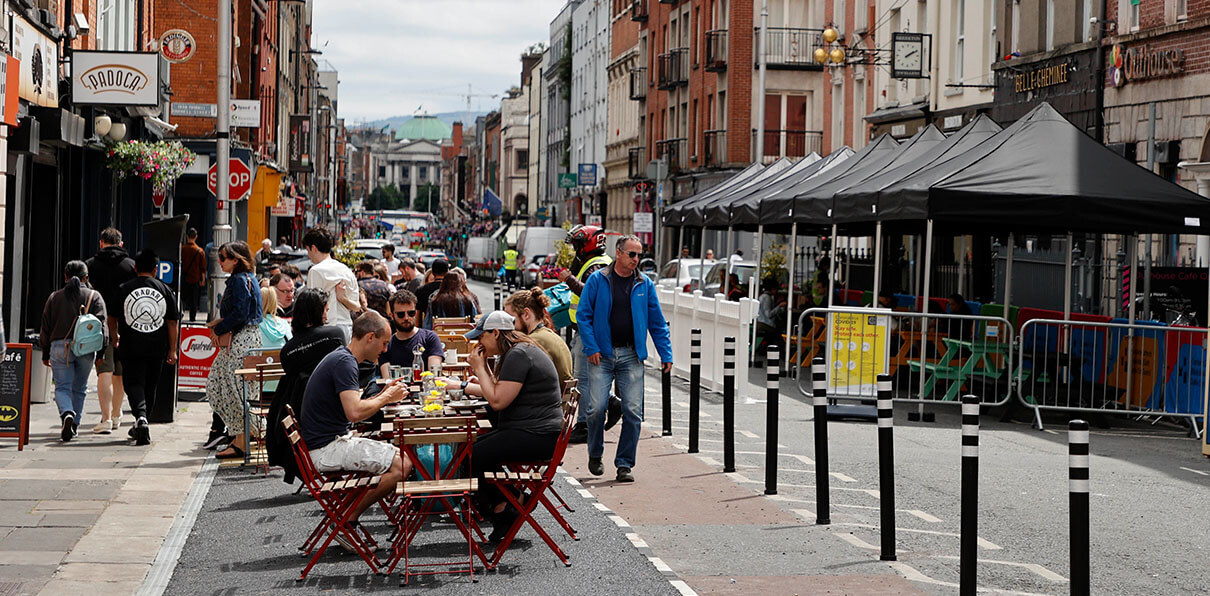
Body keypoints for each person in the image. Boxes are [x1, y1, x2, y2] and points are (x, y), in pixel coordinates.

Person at [301, 312, 411, 528]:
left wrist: (383, 394)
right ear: (370, 337)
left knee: (403, 456)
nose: (385, 350)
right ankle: (347, 518)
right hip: (327, 448)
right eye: (384, 343)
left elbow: (353, 408)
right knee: (403, 465)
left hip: (326, 442)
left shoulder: (342, 357)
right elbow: (355, 413)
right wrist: (386, 397)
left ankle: (346, 513)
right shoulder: (345, 363)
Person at [577, 236, 673, 483]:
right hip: (601, 355)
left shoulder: (644, 284)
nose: (636, 259)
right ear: (618, 253)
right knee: (596, 409)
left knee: (633, 411)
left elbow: (657, 322)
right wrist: (591, 347)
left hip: (631, 355)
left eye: (639, 255)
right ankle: (595, 453)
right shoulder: (598, 280)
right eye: (632, 254)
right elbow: (583, 316)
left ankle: (624, 464)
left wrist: (666, 354)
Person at [462, 311, 563, 541]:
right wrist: (484, 370)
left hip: (537, 435)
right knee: (471, 450)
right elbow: (498, 390)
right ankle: (510, 502)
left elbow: (498, 401)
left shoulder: (518, 355)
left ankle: (506, 505)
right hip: (533, 430)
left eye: (481, 336)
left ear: (496, 333)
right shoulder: (518, 351)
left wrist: (480, 368)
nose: (478, 343)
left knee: (471, 456)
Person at [267, 288, 346, 484]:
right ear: (317, 311)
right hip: (335, 410)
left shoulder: (288, 351)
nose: (327, 313)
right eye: (325, 309)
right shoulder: (334, 335)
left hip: (302, 414)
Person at [556, 225, 620, 443]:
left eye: (578, 245)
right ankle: (611, 402)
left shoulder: (597, 265)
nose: (576, 249)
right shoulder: (594, 262)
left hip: (590, 329)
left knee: (582, 379)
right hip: (588, 328)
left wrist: (569, 279)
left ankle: (584, 425)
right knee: (588, 377)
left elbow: (592, 292)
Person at [115, 250, 180, 446]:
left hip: (130, 345)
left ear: (135, 267)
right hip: (156, 347)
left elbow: (112, 317)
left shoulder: (124, 288)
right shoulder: (165, 290)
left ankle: (141, 418)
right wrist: (172, 349)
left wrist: (115, 336)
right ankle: (143, 420)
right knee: (151, 386)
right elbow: (172, 322)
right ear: (156, 269)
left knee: (133, 383)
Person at [207, 241, 264, 459]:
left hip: (241, 341)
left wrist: (219, 328)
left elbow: (240, 313)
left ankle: (243, 438)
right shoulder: (246, 278)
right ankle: (243, 435)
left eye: (223, 258)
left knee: (231, 388)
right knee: (227, 386)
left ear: (236, 260)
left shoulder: (240, 280)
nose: (219, 261)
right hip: (245, 339)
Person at [40, 261, 108, 442]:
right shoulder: (94, 296)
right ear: (86, 277)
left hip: (59, 347)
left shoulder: (54, 298)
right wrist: (101, 353)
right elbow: (103, 327)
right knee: (80, 388)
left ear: (65, 276)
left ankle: (67, 413)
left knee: (62, 387)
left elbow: (45, 327)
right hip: (86, 348)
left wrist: (45, 352)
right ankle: (75, 425)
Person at [86, 227, 135, 434]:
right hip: (125, 323)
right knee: (120, 372)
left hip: (100, 324)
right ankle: (116, 415)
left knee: (104, 370)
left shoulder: (89, 265)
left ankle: (105, 419)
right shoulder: (131, 266)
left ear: (101, 243)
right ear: (121, 244)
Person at [304, 226, 361, 342]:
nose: (308, 255)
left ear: (313, 248)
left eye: (308, 250)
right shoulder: (346, 271)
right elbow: (357, 307)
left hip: (325, 328)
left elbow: (311, 305)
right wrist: (343, 299)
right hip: (346, 327)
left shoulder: (315, 271)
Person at [504, 288, 573, 383]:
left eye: (511, 319)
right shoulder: (548, 334)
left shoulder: (532, 342)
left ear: (526, 314)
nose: (509, 325)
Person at [377, 290, 444, 377]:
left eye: (411, 313)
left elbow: (434, 374)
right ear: (392, 316)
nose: (406, 318)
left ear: (416, 313)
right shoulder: (386, 345)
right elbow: (387, 378)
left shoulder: (430, 338)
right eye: (401, 314)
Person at [756, 277, 786, 362]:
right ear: (772, 289)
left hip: (761, 321)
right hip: (765, 323)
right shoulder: (767, 298)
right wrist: (779, 306)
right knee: (780, 332)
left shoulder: (763, 296)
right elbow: (769, 314)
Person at [181, 228, 207, 322]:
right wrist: (203, 280)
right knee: (194, 301)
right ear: (196, 237)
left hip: (184, 278)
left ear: (187, 236)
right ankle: (192, 318)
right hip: (195, 279)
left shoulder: (182, 249)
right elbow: (203, 268)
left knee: (182, 299)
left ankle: (180, 315)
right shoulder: (200, 251)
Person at [414, 258, 448, 325]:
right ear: (447, 272)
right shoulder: (454, 290)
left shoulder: (421, 290)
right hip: (450, 328)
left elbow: (417, 318)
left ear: (432, 272)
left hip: (428, 328)